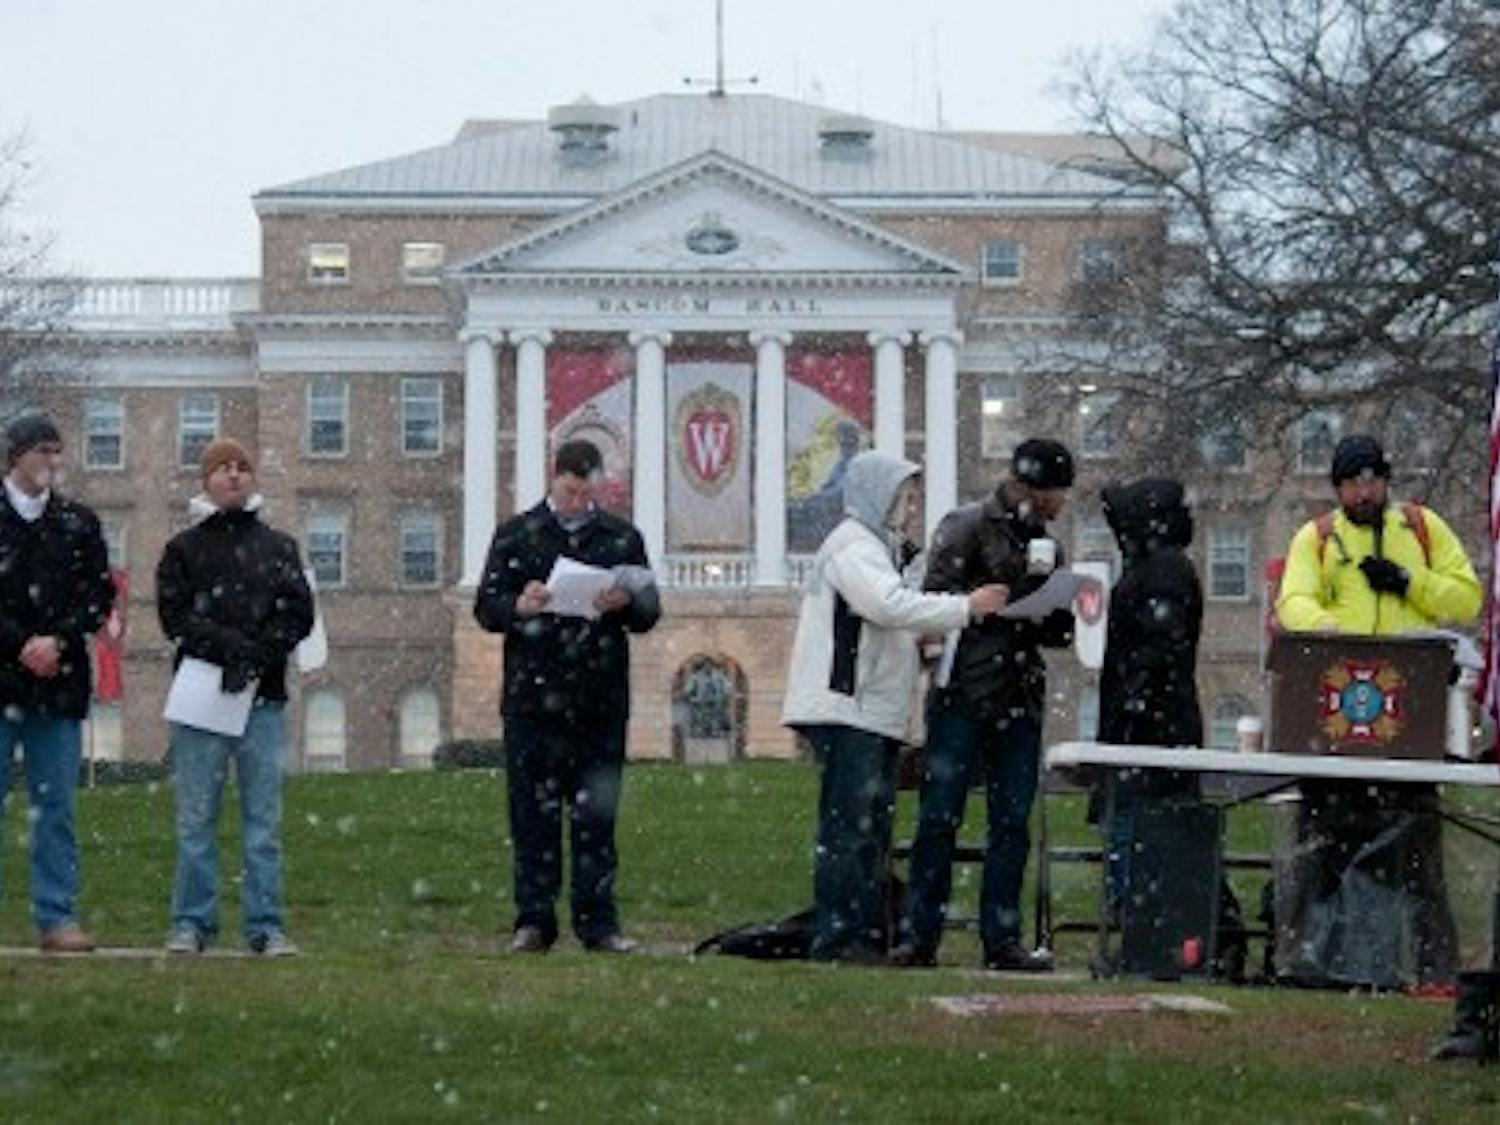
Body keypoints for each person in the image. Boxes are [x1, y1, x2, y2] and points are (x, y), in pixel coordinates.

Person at [782, 450, 1008, 963]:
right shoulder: (853, 546)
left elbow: (882, 621)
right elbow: (886, 606)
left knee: (870, 830)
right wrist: (965, 608)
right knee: (851, 829)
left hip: (870, 711)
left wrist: (920, 644)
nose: (911, 509)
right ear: (877, 497)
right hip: (848, 708)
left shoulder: (877, 551)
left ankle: (863, 933)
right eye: (905, 498)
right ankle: (840, 936)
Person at [1275, 433, 1482, 987]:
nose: (1363, 493)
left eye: (1371, 481)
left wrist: (1409, 583)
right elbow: (1293, 601)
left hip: (1408, 724)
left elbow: (1466, 598)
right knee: (1322, 852)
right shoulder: (1317, 539)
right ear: (1337, 488)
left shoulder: (1423, 528)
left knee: (1419, 859)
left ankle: (1434, 969)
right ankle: (1310, 961)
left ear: (1386, 482)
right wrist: (1330, 631)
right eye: (1352, 483)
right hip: (1335, 725)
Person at [892, 438, 1075, 971]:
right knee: (939, 817)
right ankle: (920, 934)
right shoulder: (967, 526)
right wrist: (986, 606)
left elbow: (1058, 632)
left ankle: (1002, 938)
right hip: (964, 691)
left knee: (1012, 822)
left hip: (1019, 694)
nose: (1062, 503)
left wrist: (1047, 601)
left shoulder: (1048, 546)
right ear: (1033, 488)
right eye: (1057, 492)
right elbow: (935, 598)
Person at [474, 439, 661, 955]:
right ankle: (534, 919)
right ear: (554, 480)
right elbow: (487, 606)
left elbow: (648, 613)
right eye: (569, 492)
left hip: (598, 699)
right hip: (534, 699)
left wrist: (624, 602)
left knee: (596, 819)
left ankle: (598, 921)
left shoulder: (621, 538)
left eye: (585, 493)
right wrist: (521, 605)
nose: (577, 502)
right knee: (533, 817)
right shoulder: (517, 534)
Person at [156, 438, 314, 955]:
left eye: (242, 467)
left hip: (262, 698)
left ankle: (265, 925)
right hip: (201, 696)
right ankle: (192, 922)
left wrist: (258, 656)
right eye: (223, 468)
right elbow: (176, 617)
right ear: (206, 480)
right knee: (196, 819)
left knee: (263, 822)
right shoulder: (183, 549)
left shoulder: (279, 547)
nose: (233, 475)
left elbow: (298, 614)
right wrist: (229, 650)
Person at [0, 413, 115, 953]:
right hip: (3, 680)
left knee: (56, 808)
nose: (51, 460)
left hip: (58, 687)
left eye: (56, 450)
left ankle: (57, 916)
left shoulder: (78, 523)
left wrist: (59, 641)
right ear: (15, 455)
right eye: (41, 450)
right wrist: (20, 643)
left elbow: (97, 594)